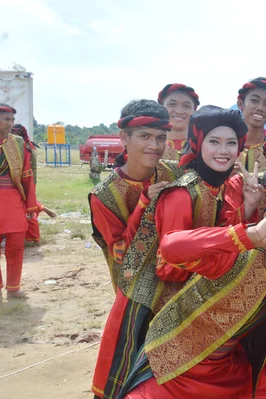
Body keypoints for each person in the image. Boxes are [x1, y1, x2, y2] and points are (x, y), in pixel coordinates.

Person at [118, 182, 266, 399]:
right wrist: (252, 234)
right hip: (174, 365)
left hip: (228, 370)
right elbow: (170, 249)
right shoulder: (237, 252)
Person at [89, 99, 184, 399]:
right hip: (134, 294)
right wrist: (145, 204)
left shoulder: (173, 173)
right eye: (144, 136)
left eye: (160, 137)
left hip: (178, 283)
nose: (154, 145)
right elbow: (121, 255)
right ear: (124, 138)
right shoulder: (104, 195)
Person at [0, 103, 37, 299]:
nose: (10, 124)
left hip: (13, 199)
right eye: (6, 119)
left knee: (16, 245)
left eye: (12, 120)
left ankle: (13, 288)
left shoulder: (18, 143)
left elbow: (27, 174)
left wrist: (31, 204)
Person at [10, 124, 46, 245]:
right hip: (26, 181)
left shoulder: (24, 148)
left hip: (23, 182)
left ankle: (32, 238)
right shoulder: (29, 146)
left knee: (27, 209)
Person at [236, 77, 266, 172]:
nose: (260, 108)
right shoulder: (221, 143)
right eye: (254, 100)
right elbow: (196, 176)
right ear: (240, 104)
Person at [157, 83, 200, 160]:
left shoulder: (202, 147)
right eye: (172, 104)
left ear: (194, 111)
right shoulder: (151, 145)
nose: (179, 111)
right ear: (161, 108)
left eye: (186, 106)